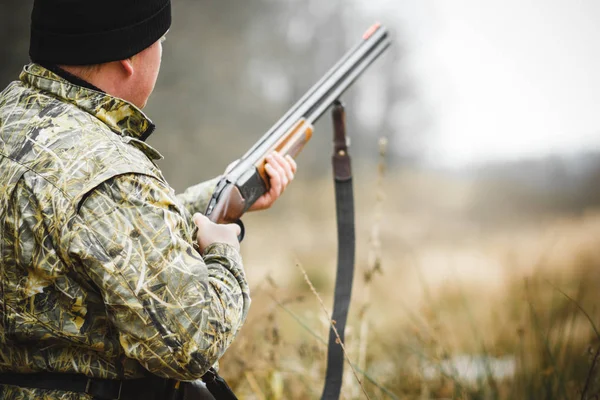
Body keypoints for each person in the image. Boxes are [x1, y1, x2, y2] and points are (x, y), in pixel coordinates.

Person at [0, 0, 297, 399]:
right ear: (128, 56)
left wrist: (217, 195)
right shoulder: (113, 174)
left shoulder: (11, 116)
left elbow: (95, 227)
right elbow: (190, 345)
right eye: (160, 40)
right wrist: (225, 249)